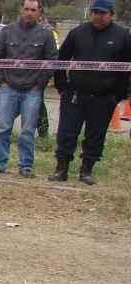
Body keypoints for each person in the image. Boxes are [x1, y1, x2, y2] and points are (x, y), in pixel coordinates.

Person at [48, 0, 131, 185]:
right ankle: (61, 169)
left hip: (104, 97)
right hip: (75, 95)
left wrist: (117, 95)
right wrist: (62, 88)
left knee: (95, 134)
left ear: (112, 14)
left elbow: (127, 67)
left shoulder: (122, 36)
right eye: (94, 12)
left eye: (102, 13)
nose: (98, 16)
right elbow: (61, 60)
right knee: (66, 133)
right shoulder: (78, 33)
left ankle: (86, 171)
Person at [0, 0, 57, 178]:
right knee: (3, 127)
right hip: (9, 88)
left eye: (33, 10)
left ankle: (26, 166)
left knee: (27, 130)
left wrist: (39, 85)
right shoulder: (8, 31)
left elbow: (51, 62)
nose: (29, 13)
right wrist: (2, 81)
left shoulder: (45, 34)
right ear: (21, 9)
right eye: (26, 9)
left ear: (39, 12)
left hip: (32, 90)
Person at [35, 4, 59, 138]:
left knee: (38, 102)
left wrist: (46, 76)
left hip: (40, 74)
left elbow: (54, 54)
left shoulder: (50, 31)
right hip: (25, 74)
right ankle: (43, 131)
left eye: (34, 10)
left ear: (40, 13)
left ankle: (43, 131)